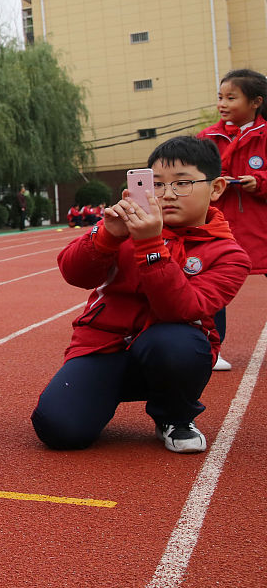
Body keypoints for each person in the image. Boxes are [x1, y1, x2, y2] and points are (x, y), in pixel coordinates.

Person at [31, 137, 249, 454]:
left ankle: (174, 416)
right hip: (105, 348)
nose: (168, 194)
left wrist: (150, 246)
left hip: (169, 351)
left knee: (176, 342)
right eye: (156, 184)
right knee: (59, 430)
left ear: (215, 188)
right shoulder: (125, 228)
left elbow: (181, 309)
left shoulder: (229, 255)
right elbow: (74, 273)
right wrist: (106, 236)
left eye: (183, 183)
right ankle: (98, 394)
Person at [197, 68, 267, 371]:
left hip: (260, 225)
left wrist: (260, 181)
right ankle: (212, 347)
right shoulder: (207, 138)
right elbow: (195, 177)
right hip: (220, 226)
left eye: (231, 97)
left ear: (255, 102)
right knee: (212, 286)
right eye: (220, 97)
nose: (223, 104)